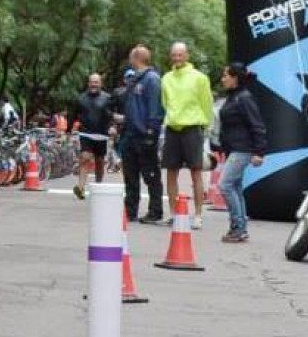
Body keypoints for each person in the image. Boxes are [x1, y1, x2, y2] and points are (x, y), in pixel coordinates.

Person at [160, 41, 214, 230]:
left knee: (196, 171)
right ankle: (174, 214)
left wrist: (206, 127)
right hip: (172, 128)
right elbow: (165, 102)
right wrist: (173, 117)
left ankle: (198, 215)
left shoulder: (199, 77)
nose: (177, 58)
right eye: (174, 55)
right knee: (170, 172)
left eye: (180, 55)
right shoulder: (166, 77)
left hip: (193, 128)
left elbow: (206, 102)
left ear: (187, 55)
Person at [215, 62, 266, 242]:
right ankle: (240, 227)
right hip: (234, 149)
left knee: (225, 185)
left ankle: (237, 226)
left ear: (234, 77)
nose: (222, 79)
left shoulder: (244, 98)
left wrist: (259, 152)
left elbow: (257, 125)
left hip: (242, 149)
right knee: (235, 187)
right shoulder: (234, 97)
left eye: (225, 76)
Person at [122, 45, 164, 223]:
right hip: (130, 134)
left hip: (144, 134)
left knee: (150, 175)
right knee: (130, 176)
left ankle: (155, 211)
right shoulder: (133, 80)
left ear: (136, 58)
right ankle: (130, 210)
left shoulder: (151, 79)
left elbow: (154, 108)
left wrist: (151, 132)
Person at [67, 72, 113, 200]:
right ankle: (80, 187)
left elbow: (112, 115)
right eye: (91, 82)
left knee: (99, 162)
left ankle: (98, 186)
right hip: (86, 133)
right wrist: (68, 129)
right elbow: (72, 115)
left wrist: (113, 127)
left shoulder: (107, 98)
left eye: (96, 82)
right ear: (88, 83)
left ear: (100, 84)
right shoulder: (81, 98)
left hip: (101, 135)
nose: (94, 84)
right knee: (85, 158)